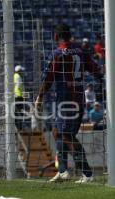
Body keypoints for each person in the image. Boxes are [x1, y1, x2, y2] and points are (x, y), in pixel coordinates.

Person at [35, 24, 103, 183]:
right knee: (56, 131)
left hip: (67, 101)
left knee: (67, 135)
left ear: (56, 36)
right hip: (78, 99)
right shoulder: (80, 50)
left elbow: (48, 78)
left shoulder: (58, 54)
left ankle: (87, 173)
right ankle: (63, 171)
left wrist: (39, 97)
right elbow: (95, 69)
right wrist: (101, 79)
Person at [14, 65, 25, 131]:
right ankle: (19, 128)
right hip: (19, 96)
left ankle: (16, 127)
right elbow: (19, 86)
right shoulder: (18, 77)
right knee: (20, 112)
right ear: (19, 71)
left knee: (15, 112)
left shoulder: (13, 76)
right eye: (21, 71)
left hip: (14, 96)